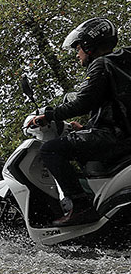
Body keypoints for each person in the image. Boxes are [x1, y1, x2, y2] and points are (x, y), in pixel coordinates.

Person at [29, 18, 131, 226]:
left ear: (89, 45)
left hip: (114, 138)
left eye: (78, 48)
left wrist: (49, 115)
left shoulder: (101, 64)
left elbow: (82, 102)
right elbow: (116, 109)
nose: (77, 54)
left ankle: (81, 206)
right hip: (121, 135)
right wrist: (86, 129)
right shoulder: (120, 64)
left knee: (50, 150)